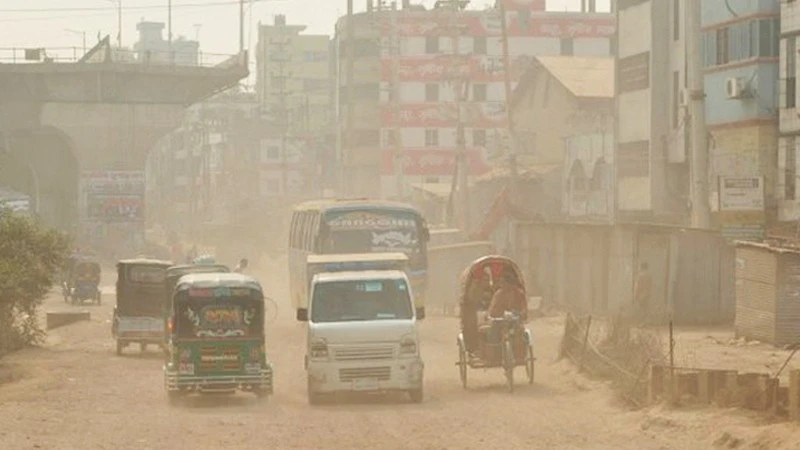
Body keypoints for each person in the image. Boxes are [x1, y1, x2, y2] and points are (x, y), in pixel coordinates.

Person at [485, 270, 528, 345]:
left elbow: (524, 308)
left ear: (509, 283)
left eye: (503, 282)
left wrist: (521, 314)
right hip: (500, 320)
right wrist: (489, 315)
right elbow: (492, 307)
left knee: (519, 334)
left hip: (514, 319)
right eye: (500, 282)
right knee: (493, 333)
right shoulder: (498, 294)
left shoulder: (519, 293)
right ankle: (495, 352)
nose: (501, 284)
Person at [461, 266, 493, 358]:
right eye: (484, 280)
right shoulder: (475, 289)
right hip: (476, 312)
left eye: (488, 280)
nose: (486, 282)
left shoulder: (492, 289)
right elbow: (471, 300)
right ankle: (475, 348)